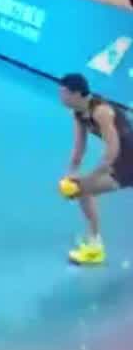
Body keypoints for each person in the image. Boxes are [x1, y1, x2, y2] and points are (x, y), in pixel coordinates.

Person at [60, 72, 132, 266]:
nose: (61, 97)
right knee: (81, 188)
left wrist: (91, 177)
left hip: (128, 162)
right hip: (122, 160)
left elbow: (112, 149)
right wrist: (71, 172)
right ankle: (94, 244)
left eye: (64, 93)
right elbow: (79, 147)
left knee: (84, 187)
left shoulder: (101, 112)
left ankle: (95, 246)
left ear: (76, 94)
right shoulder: (78, 113)